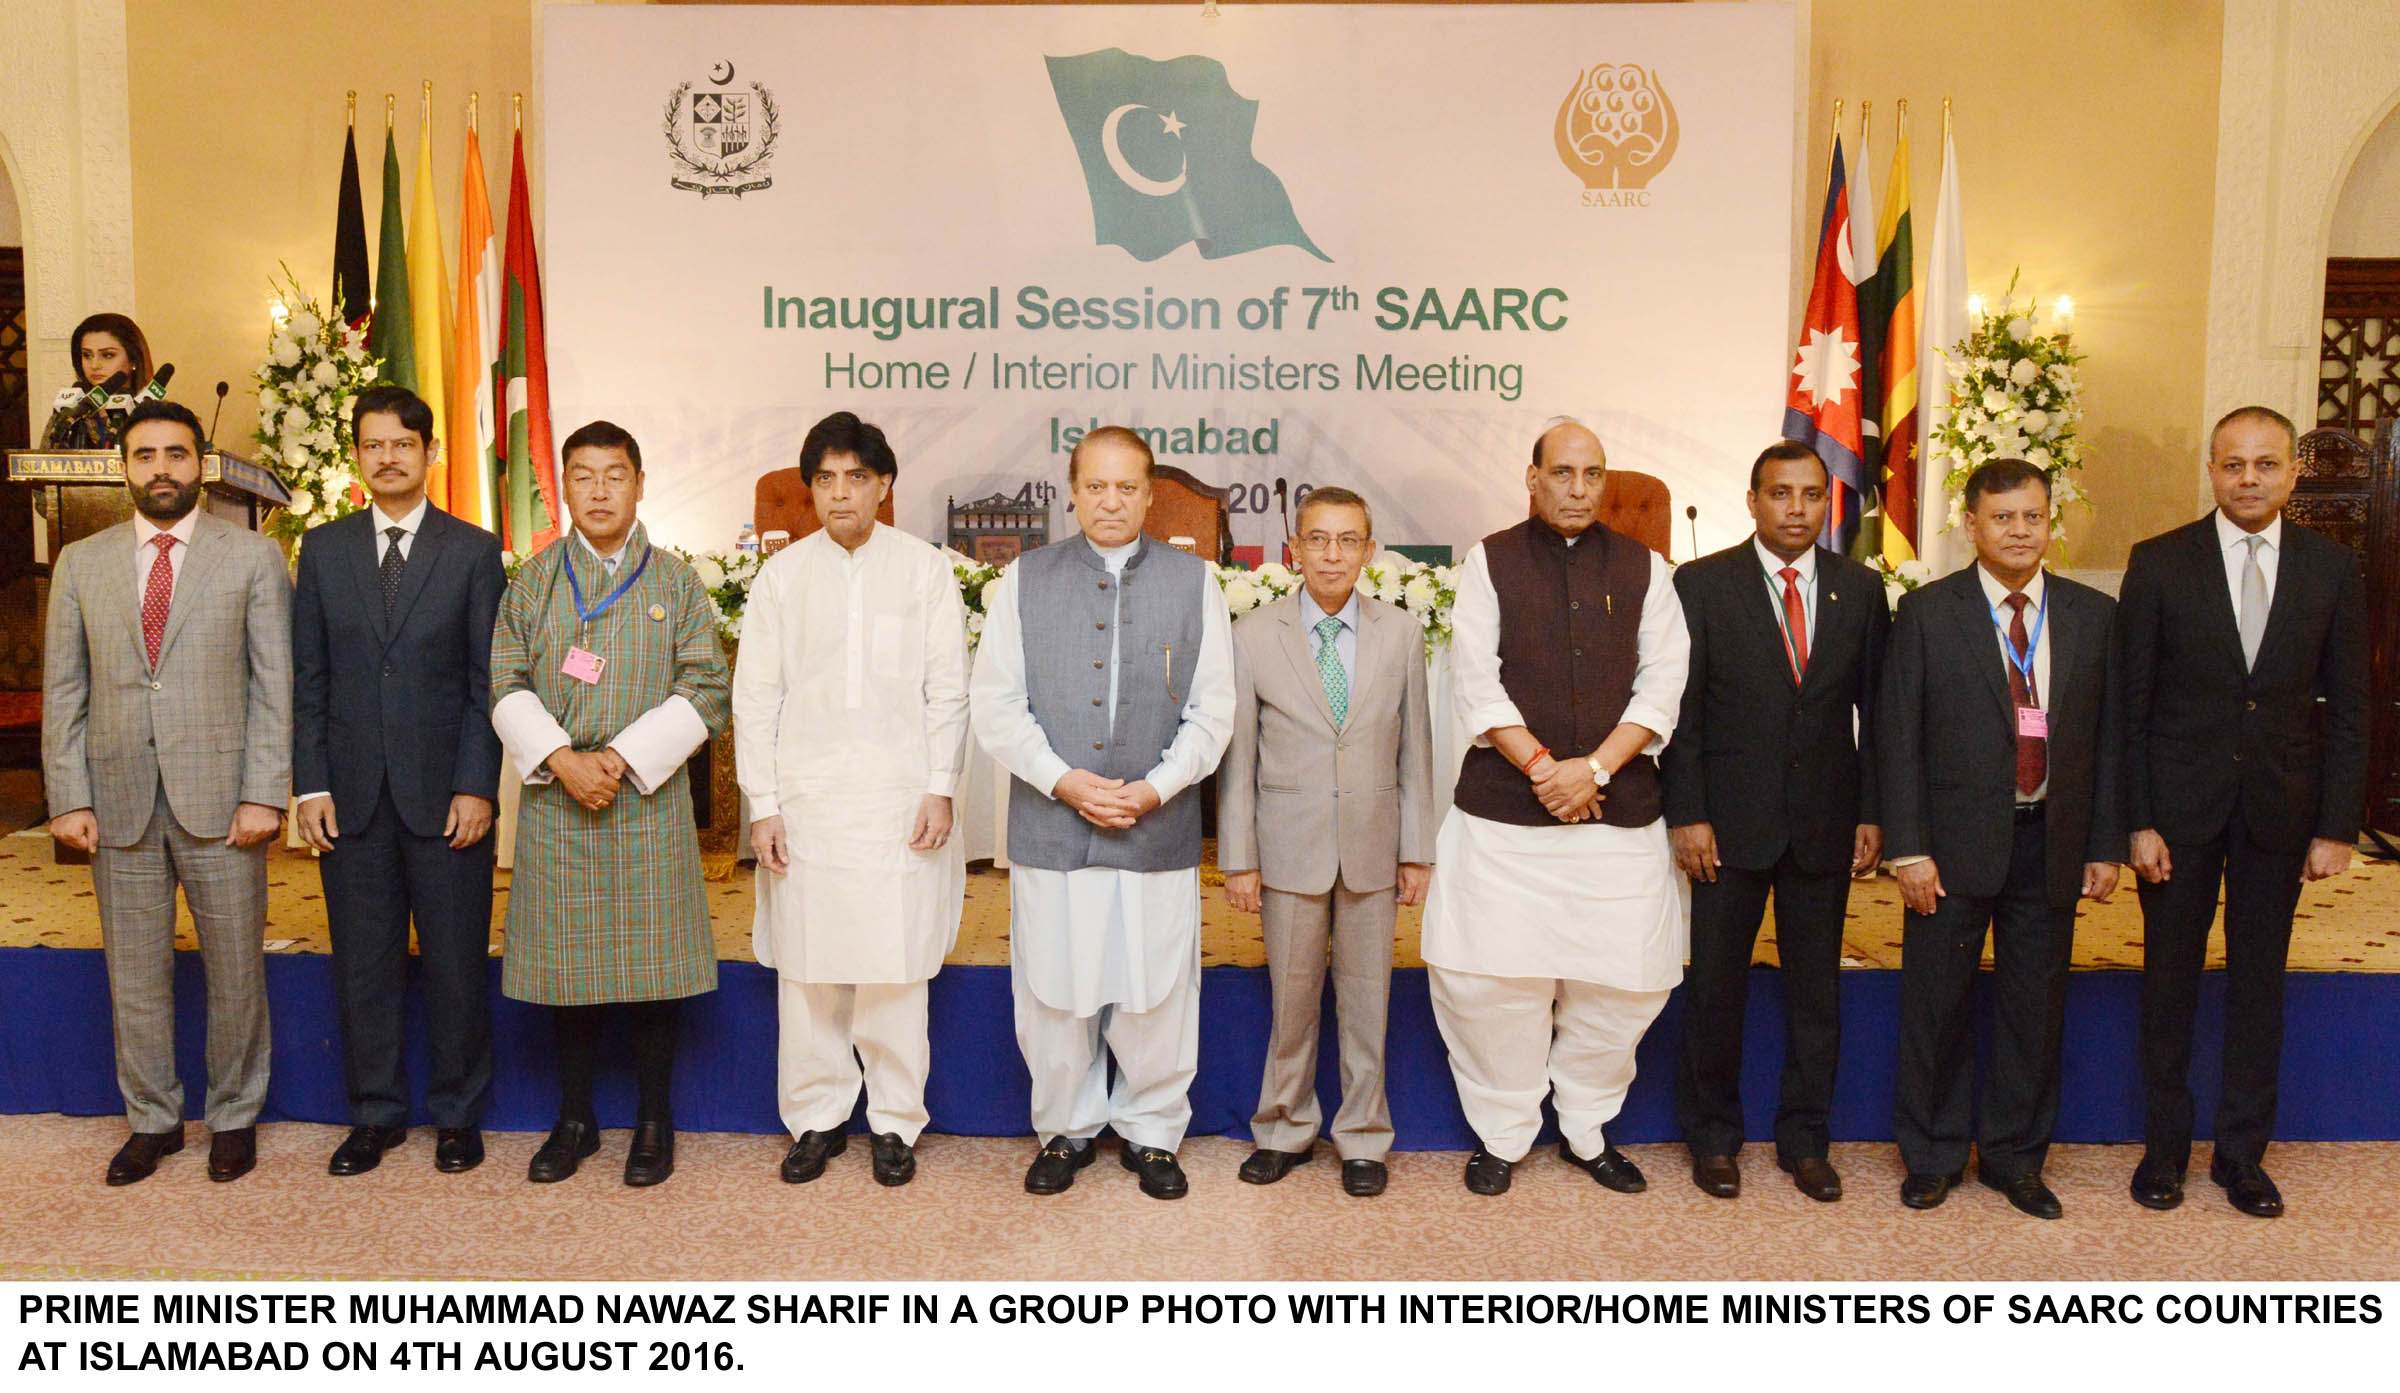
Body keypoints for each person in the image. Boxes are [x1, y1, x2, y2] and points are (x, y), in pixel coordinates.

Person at [1419, 419, 1690, 1197]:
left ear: (1606, 482)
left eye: (1592, 474)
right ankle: (1504, 1130)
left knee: (1626, 983)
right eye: (1563, 472)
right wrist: (1543, 767)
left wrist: (1595, 768)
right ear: (1532, 478)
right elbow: (1476, 679)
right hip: (1506, 818)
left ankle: (1585, 1126)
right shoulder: (1489, 561)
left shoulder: (1647, 569)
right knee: (1489, 984)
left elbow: (1663, 685)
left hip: (1617, 815)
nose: (1578, 488)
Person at [969, 425, 1234, 1200]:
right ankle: (1066, 1127)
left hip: (1158, 824)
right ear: (1072, 492)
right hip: (1056, 823)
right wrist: (1063, 781)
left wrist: (1156, 787)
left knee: (1156, 986)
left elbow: (1213, 712)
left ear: (1150, 496)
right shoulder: (1023, 578)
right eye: (1096, 486)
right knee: (1053, 984)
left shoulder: (1197, 583)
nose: (1111, 501)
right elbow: (995, 705)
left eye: (1127, 488)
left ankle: (1153, 1131)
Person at [2118, 405, 2368, 1219]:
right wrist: (2139, 819)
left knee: (2260, 988)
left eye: (2266, 464)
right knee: (2169, 986)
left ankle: (2242, 1157)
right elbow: (2133, 705)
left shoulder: (2333, 568)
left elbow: (2352, 709)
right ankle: (2164, 1153)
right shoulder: (2158, 562)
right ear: (2212, 470)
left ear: (2294, 472)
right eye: (2234, 464)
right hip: (2177, 817)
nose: (2249, 478)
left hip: (2281, 812)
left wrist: (2336, 824)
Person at [41, 398, 290, 1185]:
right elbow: (64, 692)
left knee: (236, 969)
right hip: (116, 800)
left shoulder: (250, 557)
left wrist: (265, 794)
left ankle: (234, 1115)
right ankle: (151, 1119)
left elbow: (273, 686)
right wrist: (68, 796)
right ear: (124, 468)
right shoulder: (82, 562)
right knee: (135, 972)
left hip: (223, 801)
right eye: (144, 455)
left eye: (175, 455)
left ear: (200, 464)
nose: (160, 469)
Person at [489, 420, 731, 1188]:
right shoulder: (531, 580)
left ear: (639, 483)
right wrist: (562, 759)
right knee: (570, 970)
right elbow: (504, 679)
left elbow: (707, 687)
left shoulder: (675, 581)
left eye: (614, 475)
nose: (599, 490)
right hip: (561, 799)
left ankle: (654, 1120)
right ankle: (575, 1118)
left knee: (653, 970)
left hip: (644, 799)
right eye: (584, 475)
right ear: (565, 486)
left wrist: (621, 759)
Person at [1879, 458, 2122, 1220]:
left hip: (2050, 841)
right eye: (2003, 517)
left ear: (2050, 521)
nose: (2020, 530)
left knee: (2034, 1008)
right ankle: (1933, 1155)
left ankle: (2016, 1159)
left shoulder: (2091, 613)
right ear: (1972, 524)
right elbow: (1898, 735)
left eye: (2033, 516)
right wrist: (1909, 849)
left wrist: (2103, 842)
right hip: (1948, 850)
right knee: (1936, 1006)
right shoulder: (1928, 612)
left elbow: (2110, 741)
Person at [734, 412, 970, 1189]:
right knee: (808, 973)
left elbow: (949, 691)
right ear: (811, 490)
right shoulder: (782, 576)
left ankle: (896, 1121)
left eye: (856, 478)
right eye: (826, 479)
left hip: (899, 803)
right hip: (805, 805)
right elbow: (755, 696)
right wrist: (762, 802)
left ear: (884, 486)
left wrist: (940, 787)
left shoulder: (924, 570)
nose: (841, 493)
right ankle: (815, 1118)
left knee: (894, 967)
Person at [290, 385, 505, 1176]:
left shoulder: (475, 551)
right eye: (373, 444)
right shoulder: (323, 549)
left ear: (429, 453)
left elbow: (489, 683)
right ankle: (374, 1114)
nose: (387, 457)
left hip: (448, 796)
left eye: (402, 444)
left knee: (454, 964)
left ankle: (457, 1114)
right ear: (356, 455)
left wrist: (477, 784)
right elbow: (308, 677)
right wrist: (309, 784)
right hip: (348, 799)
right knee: (363, 964)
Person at [1664, 440, 1886, 1203]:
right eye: (1781, 494)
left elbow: (1877, 713)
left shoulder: (1860, 590)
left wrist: (1871, 812)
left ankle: (1806, 1140)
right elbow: (1681, 715)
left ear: (1830, 503)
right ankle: (1714, 1139)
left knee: (1816, 994)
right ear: (1753, 500)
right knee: (1717, 990)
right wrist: (1686, 813)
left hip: (1825, 825)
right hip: (1725, 827)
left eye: (1812, 495)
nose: (1798, 509)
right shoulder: (1700, 584)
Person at [1218, 485, 1435, 1199]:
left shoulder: (1402, 633)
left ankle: (1365, 1134)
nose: (1333, 554)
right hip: (1288, 848)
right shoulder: (1254, 634)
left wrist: (1416, 849)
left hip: (1373, 846)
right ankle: (1283, 1126)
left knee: (1370, 998)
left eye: (1348, 540)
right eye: (1319, 539)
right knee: (1293, 998)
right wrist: (1240, 858)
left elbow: (1416, 752)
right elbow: (1238, 761)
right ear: (1295, 549)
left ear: (1370, 551)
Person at [71, 312, 155, 392]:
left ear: (133, 359)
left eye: (108, 356)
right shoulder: (72, 406)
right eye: (87, 355)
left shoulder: (154, 407)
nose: (94, 365)